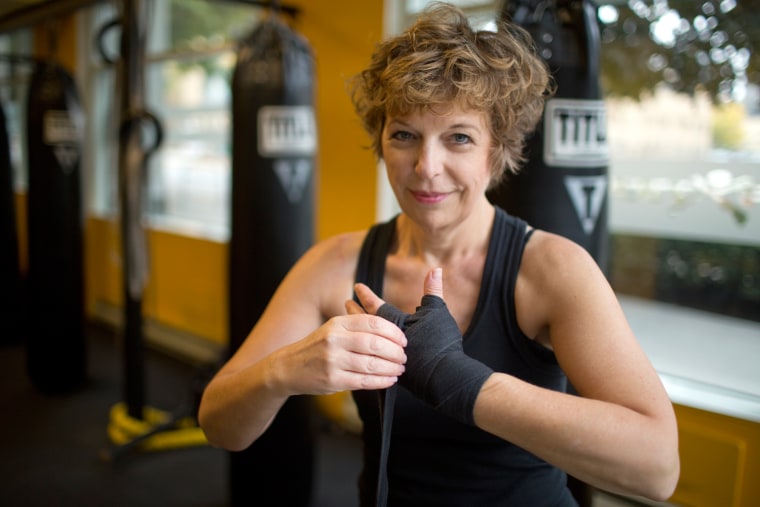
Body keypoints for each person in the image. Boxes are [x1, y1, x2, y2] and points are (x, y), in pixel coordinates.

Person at [198, 2, 680, 505]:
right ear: (381, 143)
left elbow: (657, 469)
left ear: (496, 152)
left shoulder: (552, 269)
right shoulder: (335, 265)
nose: (427, 167)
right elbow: (220, 425)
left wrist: (459, 380)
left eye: (459, 138)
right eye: (404, 135)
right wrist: (283, 371)